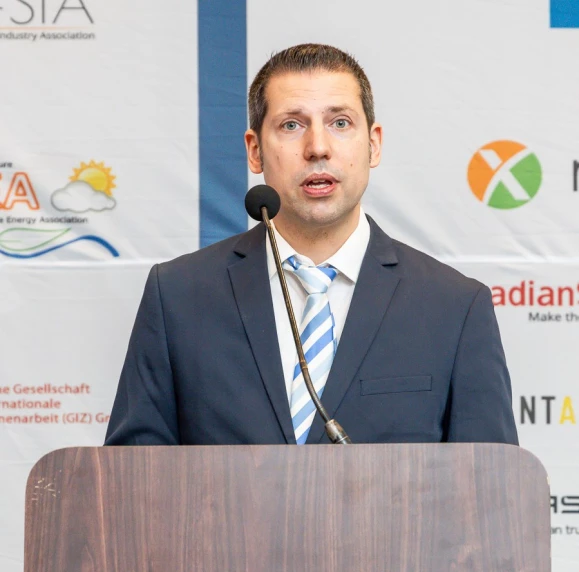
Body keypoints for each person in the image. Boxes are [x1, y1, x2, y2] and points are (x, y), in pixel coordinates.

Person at [104, 44, 518, 446]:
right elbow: (133, 478)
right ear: (254, 151)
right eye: (292, 125)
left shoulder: (455, 307)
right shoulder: (177, 295)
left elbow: (488, 484)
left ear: (373, 144)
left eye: (340, 123)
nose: (318, 147)